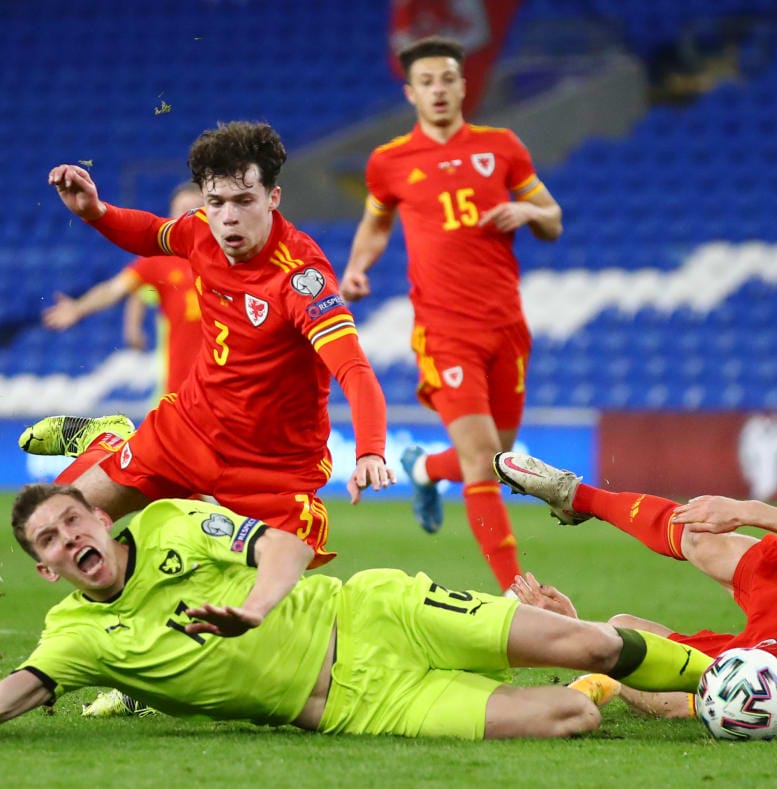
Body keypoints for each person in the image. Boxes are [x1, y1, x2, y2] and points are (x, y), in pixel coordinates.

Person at [0, 483, 715, 740]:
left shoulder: (168, 525)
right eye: (51, 541)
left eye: (73, 521)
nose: (71, 539)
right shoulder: (75, 638)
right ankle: (608, 677)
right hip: (364, 706)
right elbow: (19, 689)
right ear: (46, 567)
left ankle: (727, 678)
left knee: (591, 646)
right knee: (574, 717)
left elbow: (286, 544)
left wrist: (254, 607)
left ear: (97, 515)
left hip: (378, 615)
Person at [23, 121, 394, 574]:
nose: (228, 217)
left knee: (263, 606)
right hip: (190, 429)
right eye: (216, 202)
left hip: (271, 470)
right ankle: (112, 444)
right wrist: (96, 211)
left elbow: (353, 369)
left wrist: (371, 450)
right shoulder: (201, 230)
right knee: (58, 525)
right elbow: (152, 233)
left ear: (272, 199)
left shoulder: (301, 277)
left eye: (244, 201)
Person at [339, 36, 563, 594]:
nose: (438, 90)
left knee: (498, 460)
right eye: (427, 82)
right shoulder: (388, 162)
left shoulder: (502, 147)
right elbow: (376, 223)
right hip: (443, 330)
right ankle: (517, 590)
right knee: (486, 458)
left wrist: (527, 210)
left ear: (463, 85)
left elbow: (554, 218)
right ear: (410, 92)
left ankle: (422, 470)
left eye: (447, 79)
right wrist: (356, 268)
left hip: (507, 325)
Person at [493, 450, 777, 723]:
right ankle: (574, 497)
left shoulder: (770, 663)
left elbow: (675, 705)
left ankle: (589, 643)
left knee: (627, 637)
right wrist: (746, 511)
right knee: (699, 532)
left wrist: (577, 631)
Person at [42, 182, 204, 395]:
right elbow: (116, 289)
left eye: (194, 210)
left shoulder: (230, 257)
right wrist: (79, 307)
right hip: (181, 387)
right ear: (171, 215)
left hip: (228, 386)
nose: (187, 218)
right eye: (181, 211)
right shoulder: (159, 261)